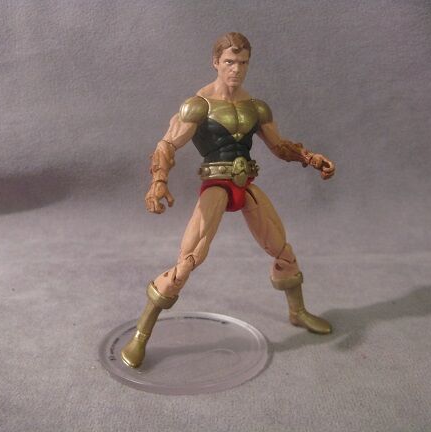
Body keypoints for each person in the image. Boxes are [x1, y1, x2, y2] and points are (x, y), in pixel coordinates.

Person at [121, 32, 335, 368]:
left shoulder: (256, 107)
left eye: (243, 62)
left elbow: (279, 146)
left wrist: (309, 158)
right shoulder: (199, 105)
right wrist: (158, 182)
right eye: (230, 62)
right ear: (216, 62)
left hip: (245, 183)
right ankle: (140, 335)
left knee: (282, 250)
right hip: (216, 186)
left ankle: (298, 312)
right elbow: (167, 144)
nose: (236, 69)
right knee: (188, 261)